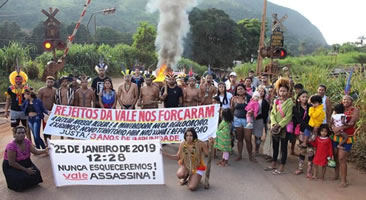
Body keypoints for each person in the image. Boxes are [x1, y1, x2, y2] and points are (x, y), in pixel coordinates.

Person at [3, 126, 48, 192]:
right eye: (18, 133)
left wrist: (45, 150)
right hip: (13, 166)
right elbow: (12, 163)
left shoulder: (27, 142)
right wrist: (26, 170)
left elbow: (35, 151)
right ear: (14, 135)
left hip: (26, 162)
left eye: (23, 133)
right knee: (21, 179)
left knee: (36, 173)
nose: (21, 134)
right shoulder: (11, 146)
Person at [265, 78, 293, 175]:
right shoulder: (276, 101)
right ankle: (273, 163)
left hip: (283, 128)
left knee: (284, 147)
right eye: (281, 91)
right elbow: (272, 113)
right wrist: (273, 124)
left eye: (284, 91)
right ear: (278, 91)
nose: (282, 93)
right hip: (275, 126)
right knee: (275, 146)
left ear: (288, 91)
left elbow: (289, 116)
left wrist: (280, 125)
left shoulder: (290, 102)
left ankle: (282, 166)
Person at [331, 95, 359, 187]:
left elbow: (352, 123)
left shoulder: (355, 110)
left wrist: (339, 127)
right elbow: (331, 120)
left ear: (351, 101)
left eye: (347, 99)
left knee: (341, 158)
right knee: (335, 155)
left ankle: (344, 180)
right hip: (336, 136)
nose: (345, 101)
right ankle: (336, 174)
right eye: (344, 99)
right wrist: (333, 128)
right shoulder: (338, 108)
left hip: (347, 137)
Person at [230, 84, 256, 162]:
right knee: (239, 139)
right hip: (237, 120)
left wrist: (252, 113)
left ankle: (250, 156)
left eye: (241, 89)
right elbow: (232, 109)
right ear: (236, 91)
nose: (240, 90)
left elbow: (255, 107)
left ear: (245, 90)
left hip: (247, 120)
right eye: (238, 89)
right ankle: (239, 155)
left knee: (248, 139)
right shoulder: (234, 98)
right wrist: (232, 119)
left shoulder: (249, 98)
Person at [293, 90, 314, 177]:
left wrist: (311, 128)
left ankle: (309, 170)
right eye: (303, 97)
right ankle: (300, 168)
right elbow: (298, 120)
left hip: (311, 131)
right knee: (302, 150)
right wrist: (308, 127)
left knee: (311, 151)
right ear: (299, 98)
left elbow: (314, 117)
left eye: (306, 97)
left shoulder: (311, 107)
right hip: (302, 131)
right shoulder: (295, 108)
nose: (305, 98)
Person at [37, 76, 56, 145]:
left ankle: (49, 140)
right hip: (43, 112)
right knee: (45, 128)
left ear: (53, 83)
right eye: (48, 82)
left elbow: (56, 101)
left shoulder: (55, 90)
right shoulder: (41, 90)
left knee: (50, 127)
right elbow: (38, 101)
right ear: (46, 82)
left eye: (51, 82)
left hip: (51, 111)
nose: (49, 83)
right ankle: (46, 142)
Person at [252, 85, 270, 156]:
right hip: (253, 119)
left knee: (258, 135)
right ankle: (254, 149)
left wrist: (257, 116)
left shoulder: (265, 102)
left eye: (262, 91)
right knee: (254, 135)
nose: (261, 92)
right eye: (259, 91)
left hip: (259, 120)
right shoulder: (254, 99)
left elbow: (265, 114)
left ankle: (257, 150)